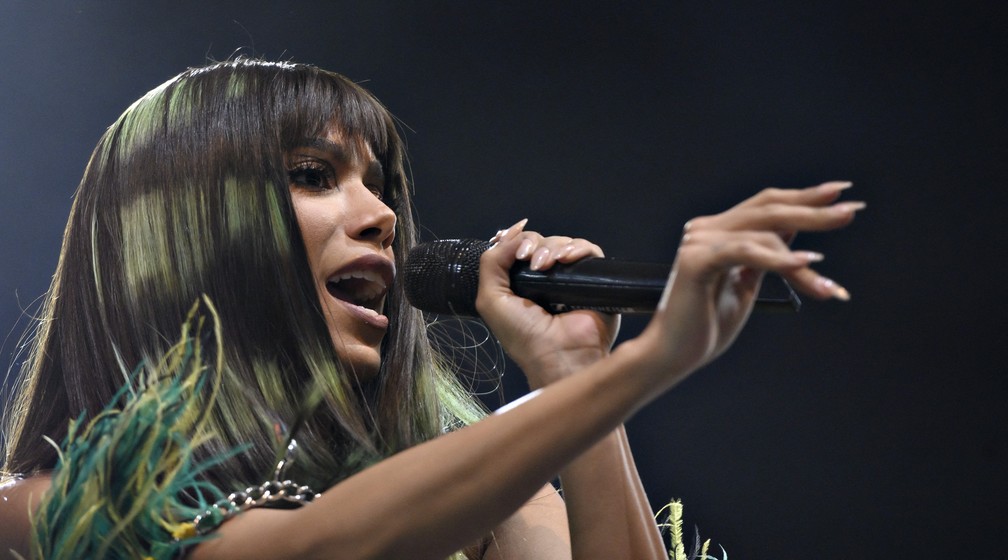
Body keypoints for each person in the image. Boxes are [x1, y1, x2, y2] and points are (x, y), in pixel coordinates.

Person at [0, 57, 862, 559]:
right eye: (312, 176)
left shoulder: (493, 509)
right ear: (184, 234)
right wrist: (650, 365)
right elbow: (312, 553)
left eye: (379, 185)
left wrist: (577, 377)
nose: (380, 216)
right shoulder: (37, 509)